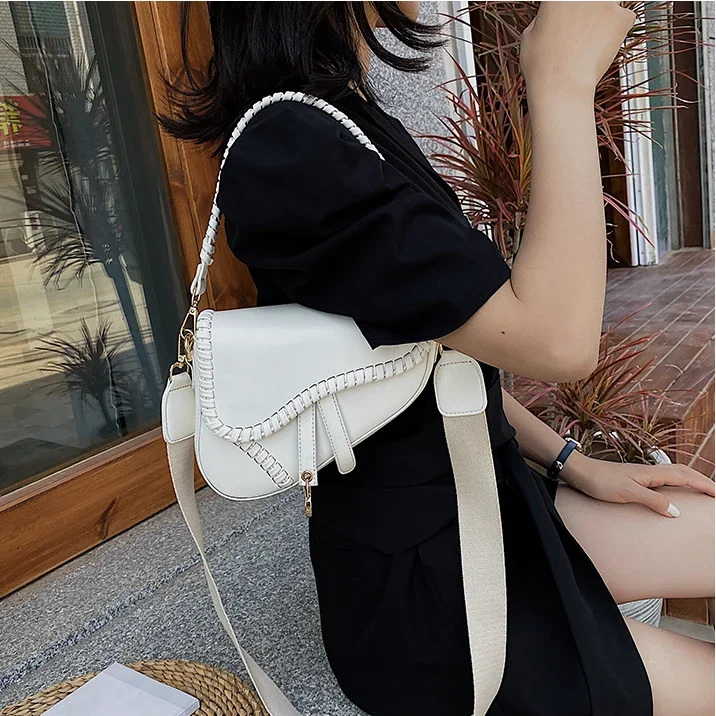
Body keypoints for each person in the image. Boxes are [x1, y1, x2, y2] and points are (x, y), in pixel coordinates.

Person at [162, 3, 715, 714]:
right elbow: (559, 341)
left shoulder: (343, 117)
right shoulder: (290, 148)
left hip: (498, 501)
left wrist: (574, 463)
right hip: (430, 589)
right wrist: (561, 82)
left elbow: (439, 351)